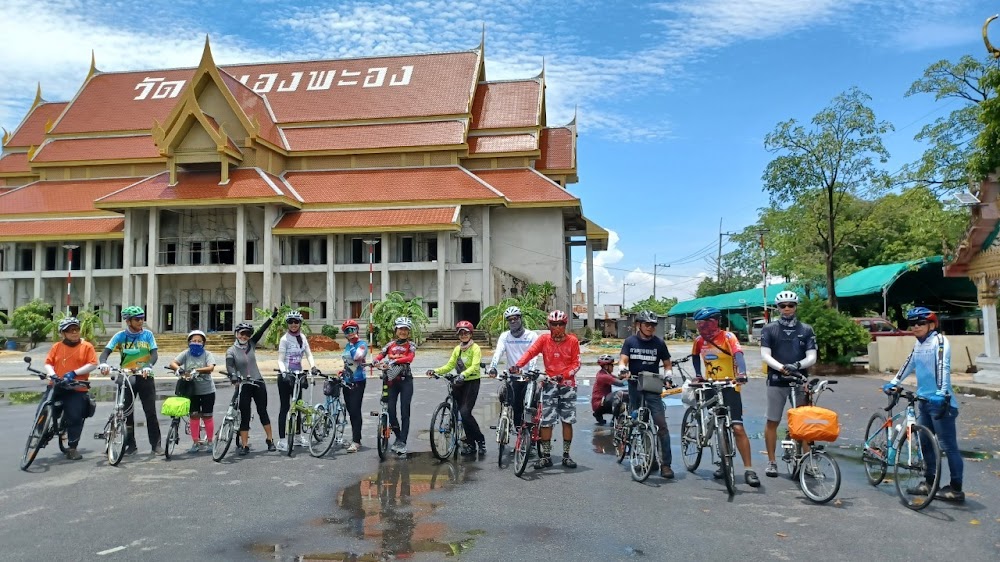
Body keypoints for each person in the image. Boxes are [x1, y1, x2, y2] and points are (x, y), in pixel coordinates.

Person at [884, 307, 965, 502]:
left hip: (941, 403)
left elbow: (942, 367)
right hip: (924, 402)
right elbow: (909, 363)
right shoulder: (918, 345)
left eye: (920, 323)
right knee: (925, 444)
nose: (915, 327)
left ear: (931, 324)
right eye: (912, 323)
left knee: (948, 446)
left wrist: (941, 393)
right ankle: (928, 483)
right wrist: (895, 382)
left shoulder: (939, 341)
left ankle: (955, 488)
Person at [690, 306, 760, 488]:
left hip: (729, 385)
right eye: (699, 324)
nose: (701, 327)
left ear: (715, 322)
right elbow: (695, 356)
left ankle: (749, 469)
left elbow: (738, 355)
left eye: (704, 323)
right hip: (710, 386)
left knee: (737, 428)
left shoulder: (728, 337)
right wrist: (698, 374)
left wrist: (742, 373)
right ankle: (723, 462)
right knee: (714, 424)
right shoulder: (699, 340)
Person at [510, 310, 581, 470]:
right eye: (554, 324)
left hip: (567, 385)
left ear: (565, 325)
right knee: (547, 420)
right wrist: (518, 365)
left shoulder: (572, 341)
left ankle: (566, 456)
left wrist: (563, 375)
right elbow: (530, 352)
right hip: (549, 384)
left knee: (567, 421)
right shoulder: (544, 340)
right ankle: (546, 457)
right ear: (549, 325)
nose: (557, 327)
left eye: (560, 324)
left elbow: (576, 364)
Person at [760, 290, 818, 478]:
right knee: (772, 420)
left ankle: (808, 461)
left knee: (805, 423)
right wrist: (781, 368)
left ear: (796, 307)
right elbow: (765, 355)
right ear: (777, 308)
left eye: (790, 305)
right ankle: (771, 461)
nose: (786, 309)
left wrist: (797, 366)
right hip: (776, 380)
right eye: (782, 306)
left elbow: (812, 356)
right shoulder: (769, 329)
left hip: (799, 380)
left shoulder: (806, 329)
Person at [617, 310, 674, 479]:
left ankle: (665, 465)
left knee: (661, 425)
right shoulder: (630, 341)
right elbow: (623, 360)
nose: (650, 327)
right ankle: (648, 458)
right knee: (638, 422)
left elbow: (667, 364)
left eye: (653, 325)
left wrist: (669, 377)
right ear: (639, 325)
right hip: (635, 386)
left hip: (653, 387)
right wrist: (622, 370)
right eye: (647, 324)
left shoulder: (659, 344)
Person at [98, 306, 162, 455]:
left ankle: (156, 445)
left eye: (142, 318)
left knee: (150, 412)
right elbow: (105, 353)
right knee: (126, 413)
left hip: (145, 375)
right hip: (126, 375)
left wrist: (148, 366)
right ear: (128, 321)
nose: (141, 321)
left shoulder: (148, 335)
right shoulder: (120, 336)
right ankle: (130, 445)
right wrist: (103, 363)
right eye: (137, 319)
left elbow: (154, 355)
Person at [427, 321, 485, 456]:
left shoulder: (475, 348)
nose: (463, 335)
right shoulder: (457, 349)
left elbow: (475, 366)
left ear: (471, 334)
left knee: (465, 413)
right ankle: (470, 444)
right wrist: (435, 371)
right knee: (458, 412)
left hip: (471, 382)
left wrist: (463, 375)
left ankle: (480, 440)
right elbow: (449, 365)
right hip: (459, 383)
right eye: (461, 333)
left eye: (466, 332)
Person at [44, 317, 98, 461]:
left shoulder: (87, 346)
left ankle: (72, 447)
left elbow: (93, 364)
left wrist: (75, 373)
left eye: (76, 329)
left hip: (77, 387)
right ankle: (38, 433)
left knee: (75, 417)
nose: (74, 333)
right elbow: (48, 363)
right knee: (44, 408)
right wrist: (53, 374)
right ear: (63, 333)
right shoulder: (57, 346)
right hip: (57, 384)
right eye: (70, 330)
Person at [226, 309, 278, 456]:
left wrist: (272, 317)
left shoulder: (252, 344)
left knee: (262, 411)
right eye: (242, 333)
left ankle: (270, 440)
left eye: (247, 334)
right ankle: (244, 445)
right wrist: (233, 376)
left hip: (258, 383)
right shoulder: (231, 351)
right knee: (245, 414)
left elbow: (262, 330)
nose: (244, 336)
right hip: (245, 385)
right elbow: (230, 366)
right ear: (236, 334)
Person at [487, 306, 538, 427]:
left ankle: (532, 432)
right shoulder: (505, 336)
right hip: (513, 376)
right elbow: (498, 352)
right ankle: (518, 431)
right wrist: (492, 367)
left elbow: (534, 355)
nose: (513, 321)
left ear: (521, 319)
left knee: (530, 405)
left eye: (515, 318)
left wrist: (530, 371)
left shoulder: (531, 335)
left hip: (527, 376)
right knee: (515, 406)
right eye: (510, 320)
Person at [276, 310, 320, 452]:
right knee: (285, 408)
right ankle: (282, 440)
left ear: (300, 323)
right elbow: (280, 360)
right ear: (287, 324)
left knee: (299, 407)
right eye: (291, 322)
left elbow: (309, 354)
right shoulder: (284, 339)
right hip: (286, 377)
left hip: (298, 376)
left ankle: (297, 436)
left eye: (296, 322)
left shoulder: (302, 337)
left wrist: (313, 366)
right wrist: (284, 373)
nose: (293, 324)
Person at [168, 329, 217, 453]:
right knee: (194, 416)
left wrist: (198, 370)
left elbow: (211, 367)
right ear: (189, 342)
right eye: (193, 341)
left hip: (207, 390)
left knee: (207, 416)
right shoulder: (186, 353)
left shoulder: (207, 354)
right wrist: (179, 369)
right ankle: (195, 442)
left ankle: (210, 441)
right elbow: (173, 363)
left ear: (203, 343)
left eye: (199, 341)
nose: (196, 343)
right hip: (191, 390)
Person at [374, 317, 417, 455]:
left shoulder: (411, 345)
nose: (403, 331)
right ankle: (398, 436)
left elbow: (409, 358)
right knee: (390, 410)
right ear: (396, 330)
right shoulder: (390, 344)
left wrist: (394, 360)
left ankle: (403, 441)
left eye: (405, 329)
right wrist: (375, 360)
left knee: (405, 412)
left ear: (408, 332)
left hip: (406, 381)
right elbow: (381, 355)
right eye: (400, 329)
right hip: (391, 380)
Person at [340, 319, 368, 453]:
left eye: (352, 329)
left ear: (357, 330)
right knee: (351, 411)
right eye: (347, 331)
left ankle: (356, 441)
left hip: (358, 381)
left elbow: (357, 357)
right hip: (346, 381)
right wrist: (342, 370)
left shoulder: (362, 344)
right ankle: (355, 438)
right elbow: (347, 362)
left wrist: (352, 344)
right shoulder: (347, 345)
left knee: (356, 411)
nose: (350, 332)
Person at [591, 354, 626, 425]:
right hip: (599, 403)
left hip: (599, 403)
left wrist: (623, 376)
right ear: (606, 366)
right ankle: (614, 420)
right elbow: (620, 383)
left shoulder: (603, 373)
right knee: (620, 395)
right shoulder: (603, 376)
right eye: (612, 365)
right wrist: (628, 379)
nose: (613, 367)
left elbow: (616, 378)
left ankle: (598, 415)